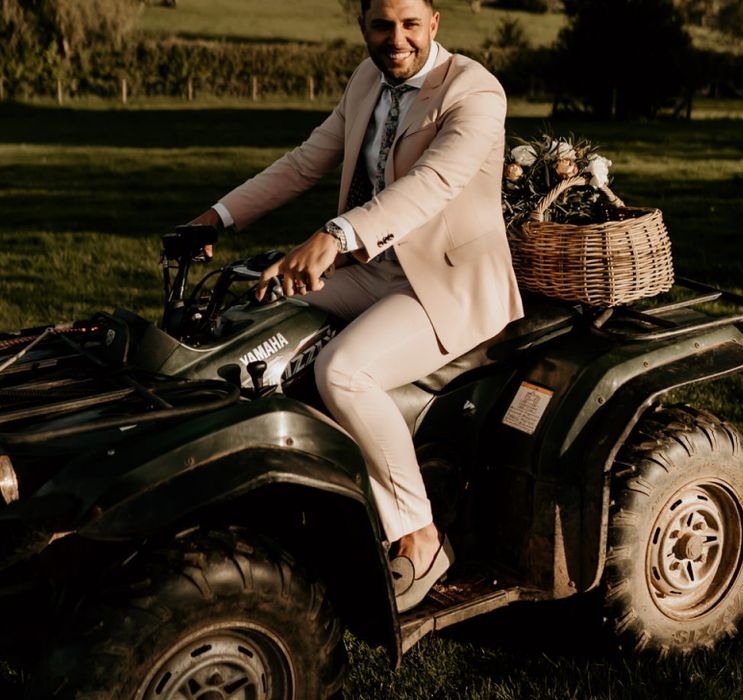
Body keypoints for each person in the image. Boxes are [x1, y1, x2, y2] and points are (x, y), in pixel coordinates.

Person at [189, 0, 523, 611]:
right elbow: (303, 163)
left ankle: (420, 532)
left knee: (343, 370)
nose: (395, 39)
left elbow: (434, 185)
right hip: (370, 268)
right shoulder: (366, 79)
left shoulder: (476, 91)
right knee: (257, 313)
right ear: (364, 26)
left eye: (410, 25)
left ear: (435, 24)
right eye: (381, 25)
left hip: (443, 286)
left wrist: (337, 235)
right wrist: (218, 215)